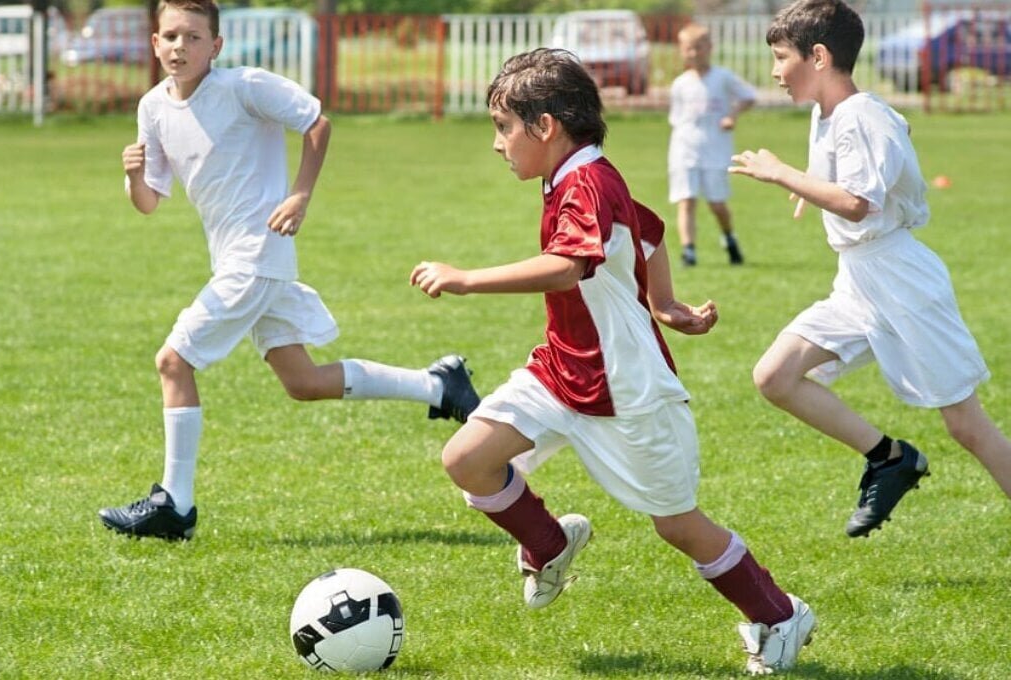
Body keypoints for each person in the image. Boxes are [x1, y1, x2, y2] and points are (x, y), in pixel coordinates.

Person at [410, 48, 814, 675]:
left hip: (624, 386)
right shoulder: (575, 174)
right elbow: (649, 233)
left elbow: (571, 264)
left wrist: (466, 279)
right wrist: (667, 302)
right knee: (466, 458)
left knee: (677, 524)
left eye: (503, 126)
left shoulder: (588, 181)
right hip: (561, 368)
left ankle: (780, 616)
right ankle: (550, 544)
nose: (497, 144)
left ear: (545, 126)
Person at [98, 0, 480, 541]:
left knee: (172, 362)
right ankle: (439, 386)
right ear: (154, 43)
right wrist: (133, 178)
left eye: (193, 37)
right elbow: (149, 202)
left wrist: (299, 194)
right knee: (303, 382)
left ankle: (174, 506)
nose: (180, 46)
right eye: (169, 36)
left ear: (216, 46)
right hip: (237, 259)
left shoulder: (244, 86)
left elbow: (316, 122)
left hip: (257, 255)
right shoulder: (152, 108)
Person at [729, 0, 1011, 538]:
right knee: (775, 376)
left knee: (967, 426)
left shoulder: (863, 114)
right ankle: (890, 458)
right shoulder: (829, 113)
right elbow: (850, 174)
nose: (773, 71)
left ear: (818, 56)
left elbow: (858, 202)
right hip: (857, 279)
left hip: (901, 280)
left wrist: (783, 175)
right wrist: (810, 187)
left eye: (780, 57)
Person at [668, 22, 756, 267]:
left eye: (699, 47)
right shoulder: (680, 84)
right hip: (684, 150)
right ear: (681, 50)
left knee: (717, 204)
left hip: (715, 149)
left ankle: (729, 237)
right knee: (686, 200)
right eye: (688, 48)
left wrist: (732, 116)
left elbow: (749, 97)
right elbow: (676, 119)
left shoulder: (723, 77)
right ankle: (689, 250)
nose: (694, 53)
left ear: (709, 48)